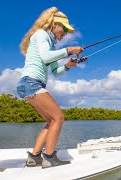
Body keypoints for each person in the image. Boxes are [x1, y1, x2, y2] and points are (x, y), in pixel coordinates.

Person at [17, 7, 86, 168]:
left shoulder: (51, 46)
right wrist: (68, 50)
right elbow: (45, 56)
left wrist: (68, 65)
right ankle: (49, 157)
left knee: (51, 121)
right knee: (59, 117)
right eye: (64, 29)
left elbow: (56, 71)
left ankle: (34, 157)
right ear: (54, 24)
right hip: (31, 82)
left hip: (31, 84)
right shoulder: (41, 34)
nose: (66, 33)